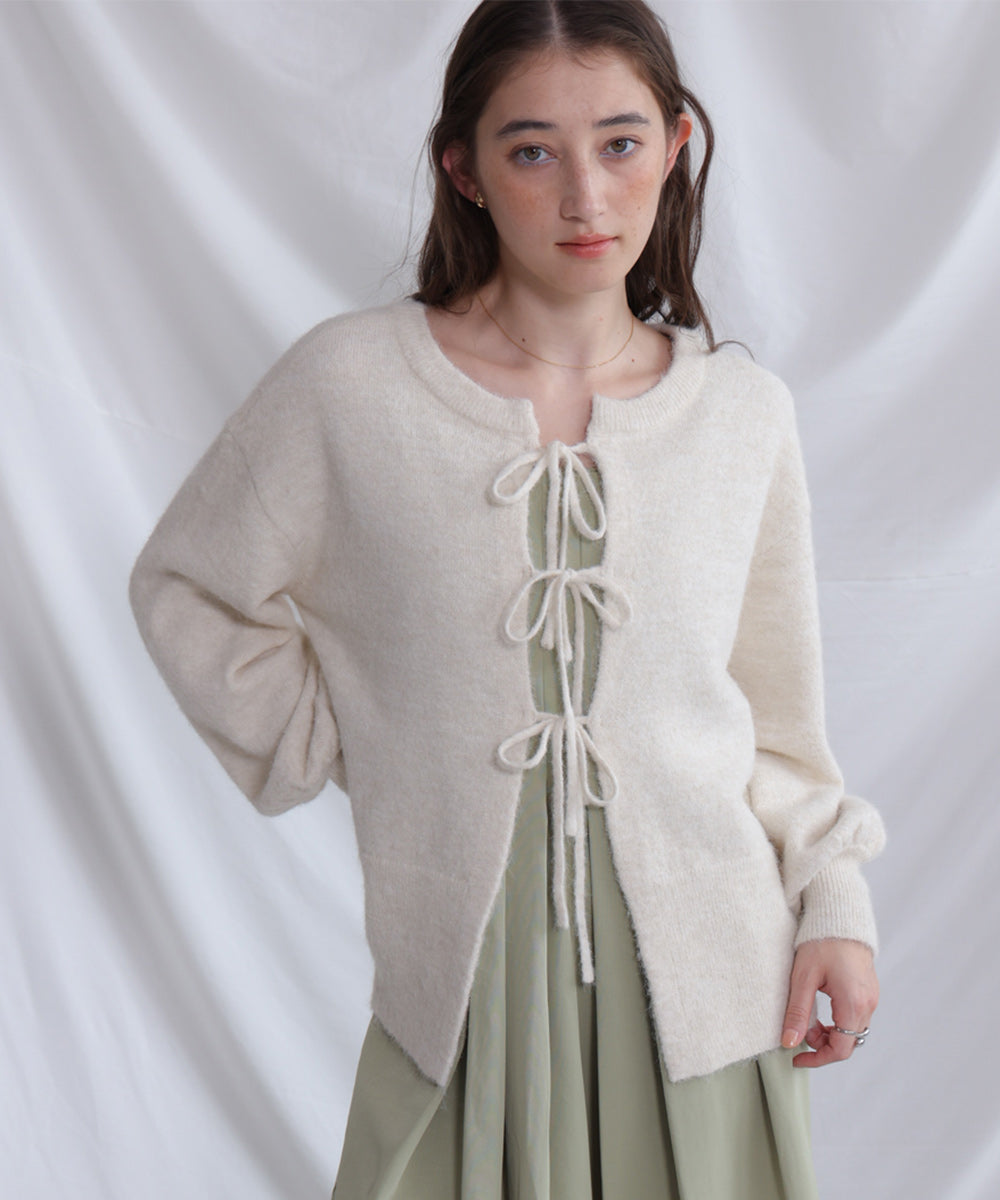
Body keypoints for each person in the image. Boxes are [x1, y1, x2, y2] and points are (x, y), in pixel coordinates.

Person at [129, 1, 886, 1196]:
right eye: (532, 150)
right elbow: (190, 585)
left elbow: (779, 723)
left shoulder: (744, 419)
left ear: (676, 145)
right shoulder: (350, 387)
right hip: (462, 997)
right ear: (463, 169)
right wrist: (353, 737)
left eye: (621, 143)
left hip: (710, 997)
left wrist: (834, 903)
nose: (585, 196)